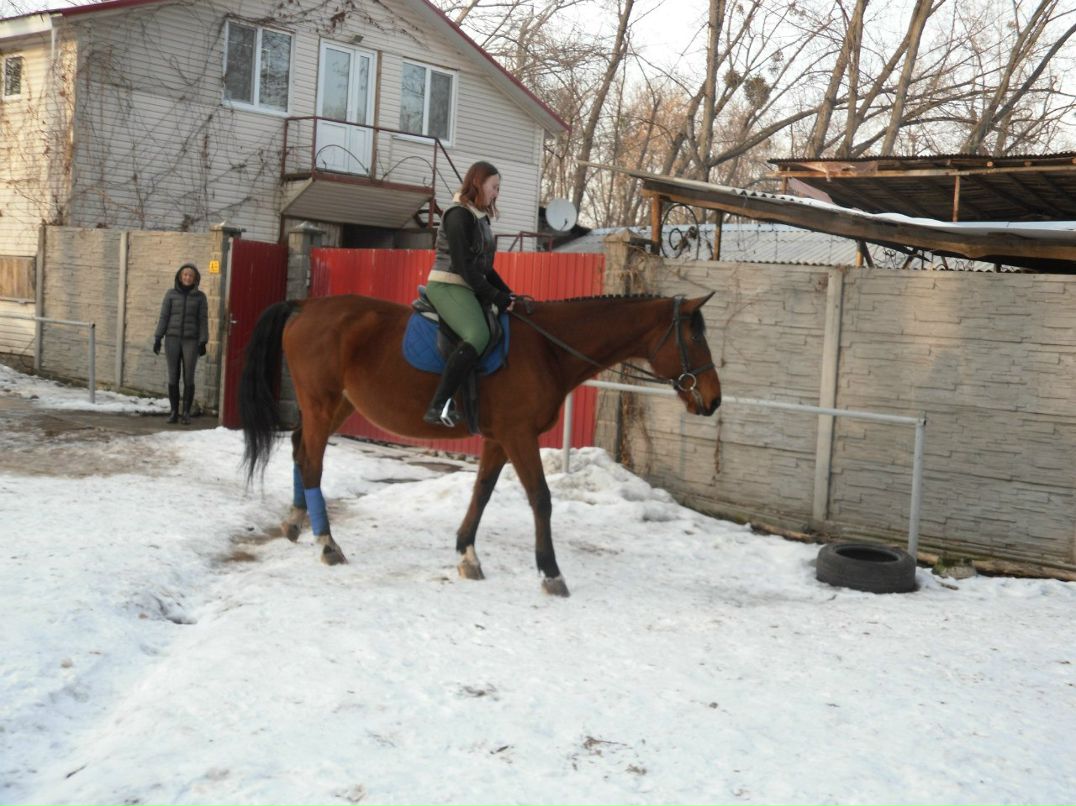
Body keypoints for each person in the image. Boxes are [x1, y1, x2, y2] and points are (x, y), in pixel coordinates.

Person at [422, 160, 516, 427]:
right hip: (448, 284)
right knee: (478, 334)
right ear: (478, 183)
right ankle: (438, 405)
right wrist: (496, 297)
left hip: (466, 284)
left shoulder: (479, 218)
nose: (497, 193)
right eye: (494, 187)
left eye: (499, 188)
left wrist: (509, 295)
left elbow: (484, 269)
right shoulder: (458, 215)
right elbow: (464, 267)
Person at [153, 262, 209, 425]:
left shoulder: (200, 297)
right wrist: (158, 337)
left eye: (190, 275)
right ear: (179, 276)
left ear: (195, 279)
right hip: (172, 339)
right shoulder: (170, 294)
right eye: (185, 274)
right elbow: (164, 316)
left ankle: (186, 413)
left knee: (189, 376)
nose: (187, 277)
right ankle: (174, 412)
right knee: (173, 375)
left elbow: (203, 320)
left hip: (190, 340)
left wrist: (203, 340)